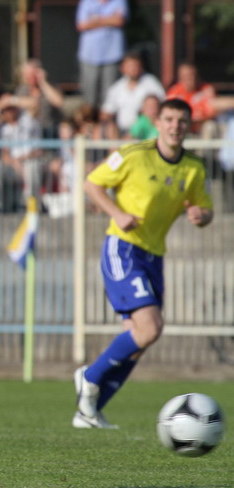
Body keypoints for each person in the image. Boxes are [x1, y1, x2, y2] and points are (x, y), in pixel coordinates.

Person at [74, 99, 213, 429]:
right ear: (158, 123)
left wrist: (200, 215)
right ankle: (89, 376)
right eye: (168, 119)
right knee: (150, 328)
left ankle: (88, 411)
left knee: (137, 341)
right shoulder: (134, 154)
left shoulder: (193, 167)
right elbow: (91, 183)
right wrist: (118, 214)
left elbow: (206, 210)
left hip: (154, 255)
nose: (175, 126)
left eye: (181, 120)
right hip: (123, 249)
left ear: (189, 125)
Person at [76, 0, 128, 108]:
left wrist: (95, 19)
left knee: (110, 97)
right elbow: (81, 25)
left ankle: (107, 127)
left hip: (112, 55)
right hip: (89, 55)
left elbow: (119, 21)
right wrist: (109, 18)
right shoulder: (86, 0)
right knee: (89, 97)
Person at [100, 52, 165, 139]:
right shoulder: (116, 87)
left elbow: (163, 105)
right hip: (122, 130)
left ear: (141, 67)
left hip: (146, 129)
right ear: (122, 68)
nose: (133, 69)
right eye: (129, 66)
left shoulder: (151, 82)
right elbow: (106, 112)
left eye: (135, 65)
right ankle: (115, 150)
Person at [12, 59, 64, 139]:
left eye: (32, 74)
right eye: (27, 74)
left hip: (48, 131)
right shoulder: (22, 90)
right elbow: (18, 103)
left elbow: (59, 102)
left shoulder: (50, 87)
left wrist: (43, 82)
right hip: (29, 132)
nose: (30, 77)